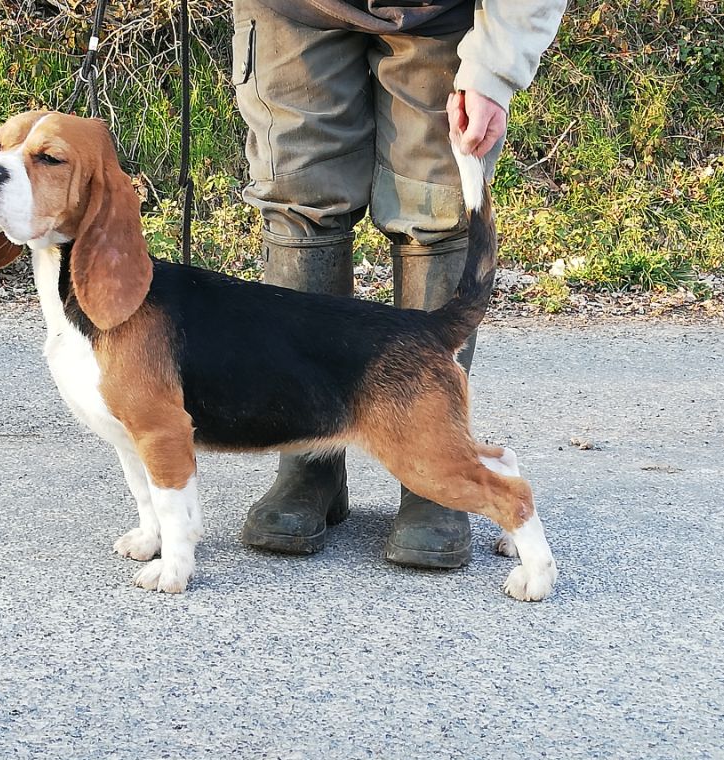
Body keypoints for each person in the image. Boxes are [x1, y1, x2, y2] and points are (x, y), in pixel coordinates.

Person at [232, 0, 567, 567]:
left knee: (433, 214)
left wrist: (493, 71)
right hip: (292, 12)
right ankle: (307, 463)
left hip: (437, 17)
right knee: (300, 209)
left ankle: (434, 470)